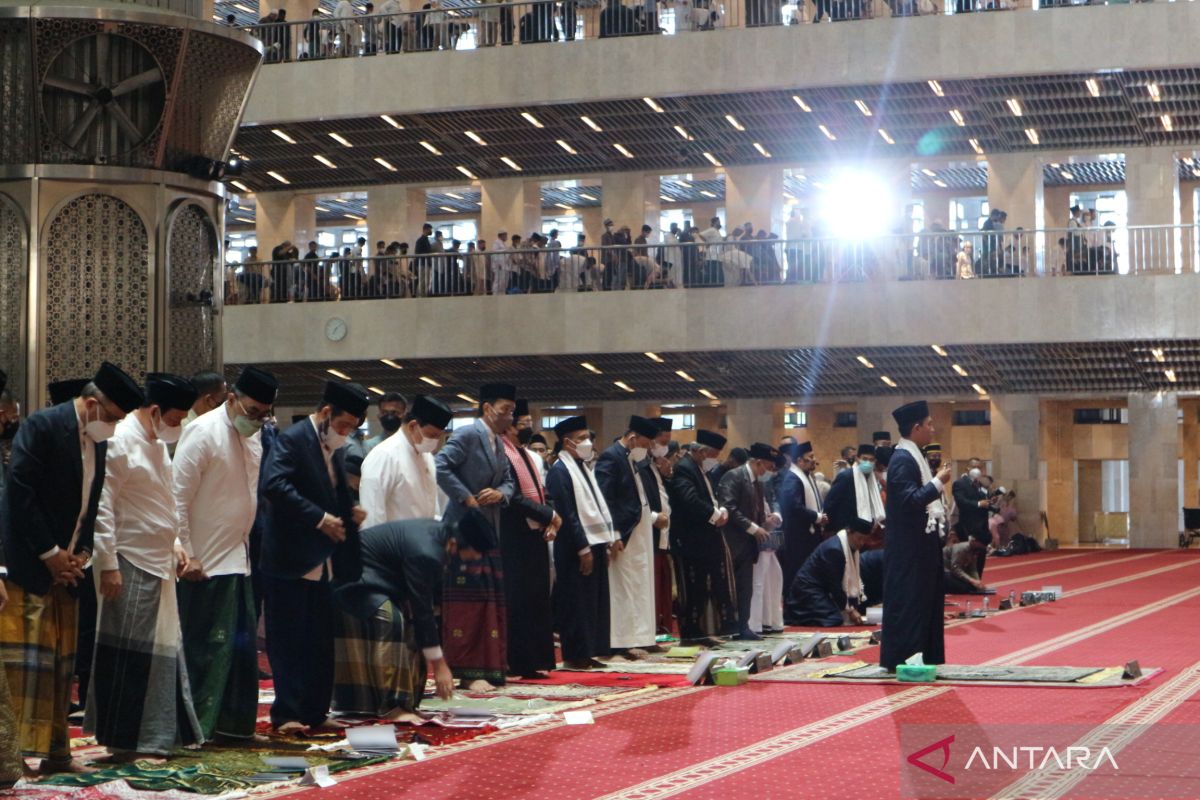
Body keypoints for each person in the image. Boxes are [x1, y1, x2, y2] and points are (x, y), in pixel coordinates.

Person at [0, 362, 142, 775]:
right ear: (94, 404)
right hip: (31, 567)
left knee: (61, 667)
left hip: (67, 570)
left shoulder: (97, 441)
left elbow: (90, 503)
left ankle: (56, 754)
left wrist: (79, 554)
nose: (115, 426)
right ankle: (19, 757)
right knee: (29, 671)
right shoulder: (43, 427)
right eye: (113, 418)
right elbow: (20, 496)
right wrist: (50, 553)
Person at [87, 374, 203, 760]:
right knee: (130, 655)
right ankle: (125, 741)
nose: (178, 427)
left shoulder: (155, 444)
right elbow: (103, 506)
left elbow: (162, 500)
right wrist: (107, 564)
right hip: (129, 560)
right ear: (154, 411)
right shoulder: (121, 441)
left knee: (162, 652)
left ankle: (156, 736)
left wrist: (175, 544)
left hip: (159, 562)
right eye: (174, 419)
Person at [174, 366, 277, 743]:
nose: (257, 420)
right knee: (205, 650)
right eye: (252, 411)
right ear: (231, 399)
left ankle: (233, 727)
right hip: (203, 563)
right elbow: (177, 498)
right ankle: (196, 728)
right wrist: (187, 551)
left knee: (240, 652)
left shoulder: (254, 436)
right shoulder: (201, 433)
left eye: (264, 414)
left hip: (238, 559)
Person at [261, 381, 370, 735]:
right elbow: (274, 485)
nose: (346, 433)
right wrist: (319, 519)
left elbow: (332, 494)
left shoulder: (334, 447)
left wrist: (348, 511)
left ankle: (316, 711)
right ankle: (287, 714)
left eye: (352, 428)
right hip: (289, 558)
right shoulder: (292, 439)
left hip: (324, 559)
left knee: (321, 641)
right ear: (325, 413)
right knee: (288, 640)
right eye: (343, 425)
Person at [331, 513, 492, 721]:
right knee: (392, 620)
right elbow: (422, 608)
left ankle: (407, 702)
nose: (477, 558)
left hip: (379, 581)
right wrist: (440, 665)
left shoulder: (439, 538)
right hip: (353, 583)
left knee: (411, 624)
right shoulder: (427, 552)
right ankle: (392, 706)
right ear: (455, 543)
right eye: (476, 552)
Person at [435, 383, 516, 689]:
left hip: (488, 530)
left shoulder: (499, 441)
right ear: (486, 408)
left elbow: (509, 481)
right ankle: (465, 671)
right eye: (504, 409)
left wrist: (500, 493)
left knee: (489, 602)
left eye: (512, 411)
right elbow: (441, 466)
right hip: (463, 530)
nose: (509, 416)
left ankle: (489, 667)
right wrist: (466, 498)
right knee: (466, 606)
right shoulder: (468, 434)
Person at [881, 400, 952, 672]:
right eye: (929, 424)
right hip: (908, 551)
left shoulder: (914, 456)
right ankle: (906, 657)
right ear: (916, 427)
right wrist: (938, 482)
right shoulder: (901, 460)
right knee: (909, 603)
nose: (933, 429)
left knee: (924, 602)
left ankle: (923, 654)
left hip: (920, 548)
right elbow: (910, 501)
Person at [545, 416, 618, 669]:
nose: (587, 442)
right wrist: (583, 547)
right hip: (574, 547)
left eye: (588, 437)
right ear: (567, 442)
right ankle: (575, 655)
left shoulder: (583, 467)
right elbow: (568, 513)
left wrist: (605, 543)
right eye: (582, 439)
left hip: (594, 542)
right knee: (576, 601)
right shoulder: (560, 471)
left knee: (592, 601)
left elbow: (596, 507)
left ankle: (589, 651)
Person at [498, 403, 561, 678]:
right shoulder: (501, 454)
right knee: (518, 601)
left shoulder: (527, 456)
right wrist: (548, 514)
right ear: (510, 425)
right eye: (523, 422)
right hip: (512, 536)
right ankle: (517, 661)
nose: (528, 427)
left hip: (535, 534)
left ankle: (536, 661)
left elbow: (542, 491)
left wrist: (551, 518)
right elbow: (513, 497)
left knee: (537, 599)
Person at [595, 415, 661, 656]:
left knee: (641, 585)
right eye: (647, 443)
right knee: (623, 586)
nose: (650, 448)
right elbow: (605, 500)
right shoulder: (610, 457)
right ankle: (622, 641)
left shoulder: (633, 459)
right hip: (623, 532)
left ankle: (642, 636)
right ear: (633, 438)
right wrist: (613, 534)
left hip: (640, 531)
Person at [667, 432, 735, 644]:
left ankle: (704, 632)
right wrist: (715, 515)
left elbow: (709, 497)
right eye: (713, 454)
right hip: (691, 541)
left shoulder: (700, 469)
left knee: (706, 588)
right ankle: (692, 634)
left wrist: (720, 509)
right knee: (693, 589)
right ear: (702, 451)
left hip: (705, 539)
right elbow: (689, 500)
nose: (715, 459)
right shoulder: (684, 469)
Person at [718, 443, 782, 641]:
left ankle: (743, 627)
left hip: (749, 544)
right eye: (769, 467)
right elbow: (728, 507)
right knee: (731, 588)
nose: (770, 472)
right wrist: (754, 528)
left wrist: (768, 522)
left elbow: (757, 512)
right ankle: (728, 626)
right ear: (759, 462)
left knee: (746, 587)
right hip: (732, 541)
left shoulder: (758, 483)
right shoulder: (734, 476)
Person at [359, 395, 451, 528]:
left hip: (424, 539)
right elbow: (372, 517)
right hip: (394, 545)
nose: (435, 442)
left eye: (439, 436)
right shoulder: (384, 456)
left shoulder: (427, 456)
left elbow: (431, 504)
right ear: (413, 426)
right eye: (432, 435)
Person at [784, 516, 875, 627]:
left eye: (864, 540)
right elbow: (835, 586)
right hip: (807, 590)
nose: (861, 543)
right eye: (859, 538)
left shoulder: (850, 548)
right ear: (849, 531)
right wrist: (850, 610)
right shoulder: (834, 549)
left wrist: (851, 608)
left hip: (821, 590)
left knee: (839, 617)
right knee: (834, 619)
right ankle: (796, 618)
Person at [777, 441, 827, 592]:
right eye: (810, 457)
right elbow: (793, 507)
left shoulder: (805, 476)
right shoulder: (793, 478)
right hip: (798, 539)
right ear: (799, 460)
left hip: (807, 537)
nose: (814, 460)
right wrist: (817, 517)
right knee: (797, 575)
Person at [644, 417, 675, 635]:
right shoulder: (640, 464)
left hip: (664, 535)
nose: (665, 447)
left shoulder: (658, 466)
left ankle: (661, 624)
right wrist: (654, 517)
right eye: (662, 442)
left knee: (663, 585)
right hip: (649, 533)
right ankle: (653, 626)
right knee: (652, 585)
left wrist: (668, 476)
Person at [822, 444, 885, 535]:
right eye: (864, 459)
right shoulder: (846, 477)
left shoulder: (872, 479)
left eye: (871, 460)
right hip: (844, 530)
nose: (868, 463)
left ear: (875, 461)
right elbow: (830, 503)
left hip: (864, 532)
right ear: (857, 459)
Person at [943, 530, 992, 594]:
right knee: (964, 588)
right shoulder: (961, 548)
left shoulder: (975, 550)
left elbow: (972, 568)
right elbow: (955, 569)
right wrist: (972, 580)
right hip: (944, 572)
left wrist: (977, 582)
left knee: (972, 587)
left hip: (952, 572)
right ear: (975, 541)